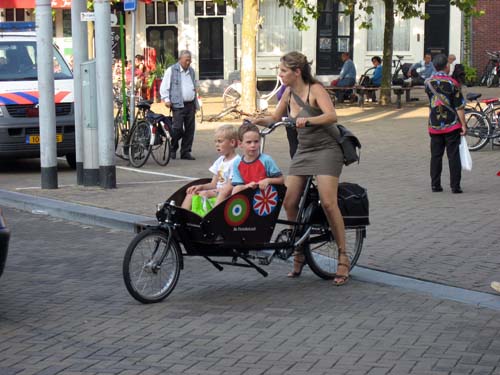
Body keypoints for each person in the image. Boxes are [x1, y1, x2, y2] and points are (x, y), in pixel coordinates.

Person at [250, 51, 349, 286]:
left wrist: (309, 120)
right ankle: (299, 250)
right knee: (289, 201)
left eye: (283, 71)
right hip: (304, 151)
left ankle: (343, 255)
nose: (279, 74)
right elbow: (275, 118)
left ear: (297, 72)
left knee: (328, 202)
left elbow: (331, 116)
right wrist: (256, 119)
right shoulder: (287, 93)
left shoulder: (315, 89)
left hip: (326, 149)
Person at [424, 53, 467, 194]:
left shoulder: (428, 83)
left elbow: (431, 104)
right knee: (453, 155)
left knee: (436, 155)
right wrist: (464, 125)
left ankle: (435, 185)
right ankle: (455, 186)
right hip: (452, 124)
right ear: (446, 66)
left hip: (434, 124)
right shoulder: (452, 83)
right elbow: (459, 107)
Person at [181, 125, 239, 214]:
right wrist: (201, 187)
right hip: (217, 191)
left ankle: (204, 220)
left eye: (220, 141)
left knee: (203, 194)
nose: (217, 144)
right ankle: (182, 218)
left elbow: (230, 188)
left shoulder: (236, 162)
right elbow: (213, 184)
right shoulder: (220, 161)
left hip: (227, 196)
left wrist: (209, 192)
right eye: (215, 142)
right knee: (192, 193)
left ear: (232, 142)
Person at [160, 50, 199, 160]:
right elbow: (164, 86)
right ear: (180, 59)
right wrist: (166, 99)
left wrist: (196, 101)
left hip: (190, 104)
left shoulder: (191, 71)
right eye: (186, 60)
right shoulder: (172, 70)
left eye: (190, 60)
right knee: (177, 129)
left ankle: (185, 151)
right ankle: (173, 147)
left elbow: (193, 85)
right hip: (178, 104)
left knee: (190, 129)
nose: (188, 62)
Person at [231, 122, 284, 195]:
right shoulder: (237, 163)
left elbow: (281, 180)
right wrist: (247, 186)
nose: (253, 145)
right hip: (246, 197)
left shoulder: (266, 160)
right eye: (249, 142)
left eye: (256, 141)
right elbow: (238, 186)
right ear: (240, 144)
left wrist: (267, 180)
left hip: (265, 198)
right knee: (236, 189)